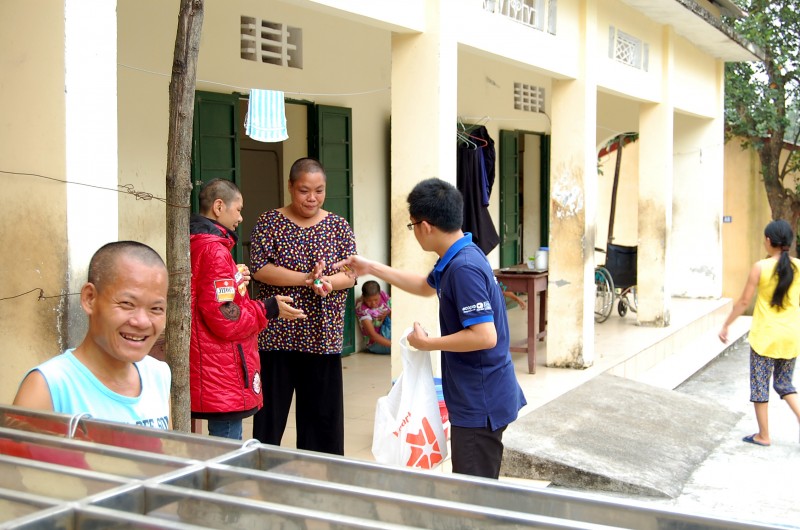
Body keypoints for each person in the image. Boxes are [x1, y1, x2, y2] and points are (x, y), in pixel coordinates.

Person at [335, 177, 527, 479]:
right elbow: (425, 287)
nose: (414, 233)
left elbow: (484, 335)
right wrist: (370, 267)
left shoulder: (463, 268)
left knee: (474, 493)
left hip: (480, 399)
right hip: (479, 392)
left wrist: (428, 343)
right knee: (476, 486)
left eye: (412, 226)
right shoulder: (460, 254)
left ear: (425, 226)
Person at [249, 157, 357, 455]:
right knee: (269, 416)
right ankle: (263, 469)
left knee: (323, 418)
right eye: (304, 190)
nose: (312, 198)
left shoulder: (338, 226)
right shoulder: (269, 221)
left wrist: (328, 283)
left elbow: (351, 274)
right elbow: (259, 268)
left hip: (322, 337)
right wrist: (306, 279)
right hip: (277, 335)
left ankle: (322, 474)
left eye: (319, 191)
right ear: (290, 187)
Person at [190, 178, 305, 440]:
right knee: (228, 443)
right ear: (219, 207)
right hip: (220, 364)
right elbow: (225, 317)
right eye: (238, 209)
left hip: (209, 359)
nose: (241, 217)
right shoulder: (214, 251)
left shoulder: (197, 242)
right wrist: (268, 308)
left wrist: (234, 278)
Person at [13, 241, 171, 430]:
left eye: (156, 308)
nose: (142, 321)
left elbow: (163, 457)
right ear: (90, 298)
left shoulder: (158, 375)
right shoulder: (49, 387)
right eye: (127, 304)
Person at [719, 219, 800, 447]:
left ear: (768, 241)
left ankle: (763, 436)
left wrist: (726, 325)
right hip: (791, 335)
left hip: (765, 337)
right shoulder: (799, 267)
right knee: (785, 384)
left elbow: (744, 301)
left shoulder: (760, 267)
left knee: (760, 385)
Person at [356, 280, 392, 354]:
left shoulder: (382, 294)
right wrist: (395, 346)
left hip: (386, 328)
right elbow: (373, 335)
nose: (373, 304)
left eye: (376, 300)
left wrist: (388, 312)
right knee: (405, 345)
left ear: (379, 294)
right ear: (363, 297)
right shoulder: (362, 309)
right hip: (376, 343)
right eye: (369, 301)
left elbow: (394, 308)